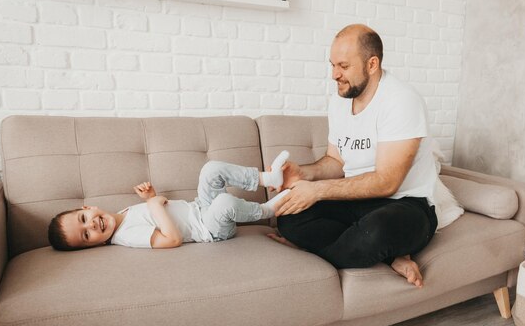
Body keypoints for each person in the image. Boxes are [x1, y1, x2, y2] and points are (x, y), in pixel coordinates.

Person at [272, 24, 438, 288]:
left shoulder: (401, 100)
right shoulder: (340, 99)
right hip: (356, 201)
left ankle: (380, 251)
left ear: (372, 64)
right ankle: (385, 255)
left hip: (405, 205)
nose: (334, 74)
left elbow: (387, 182)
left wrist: (316, 191)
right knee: (289, 217)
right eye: (332, 65)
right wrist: (304, 174)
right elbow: (336, 162)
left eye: (344, 66)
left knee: (377, 231)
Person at [48, 152, 290, 250]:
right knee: (225, 203)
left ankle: (268, 177)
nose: (91, 226)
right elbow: (172, 239)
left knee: (211, 169)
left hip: (200, 206)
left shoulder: (124, 213)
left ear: (88, 208)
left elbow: (160, 214)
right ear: (94, 245)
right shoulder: (125, 237)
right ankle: (269, 210)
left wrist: (152, 198)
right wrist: (154, 203)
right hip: (210, 229)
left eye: (83, 219)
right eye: (86, 235)